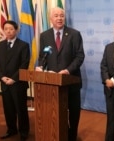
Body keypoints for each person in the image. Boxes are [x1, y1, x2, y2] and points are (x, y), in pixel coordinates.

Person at [35, 7, 85, 141]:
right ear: (51, 19)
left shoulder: (74, 34)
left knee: (73, 112)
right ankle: (57, 134)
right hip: (52, 84)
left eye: (62, 16)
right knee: (55, 112)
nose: (59, 18)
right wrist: (40, 66)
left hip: (71, 81)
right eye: (56, 16)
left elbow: (79, 56)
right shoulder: (45, 35)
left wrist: (67, 70)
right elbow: (44, 55)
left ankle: (72, 135)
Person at [0, 20, 30, 141]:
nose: (8, 31)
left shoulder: (24, 45)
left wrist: (13, 79)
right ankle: (11, 130)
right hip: (5, 83)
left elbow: (24, 64)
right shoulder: (0, 45)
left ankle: (24, 132)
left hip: (18, 84)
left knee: (21, 109)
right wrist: (2, 77)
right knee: (8, 109)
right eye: (6, 29)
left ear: (16, 30)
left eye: (11, 29)